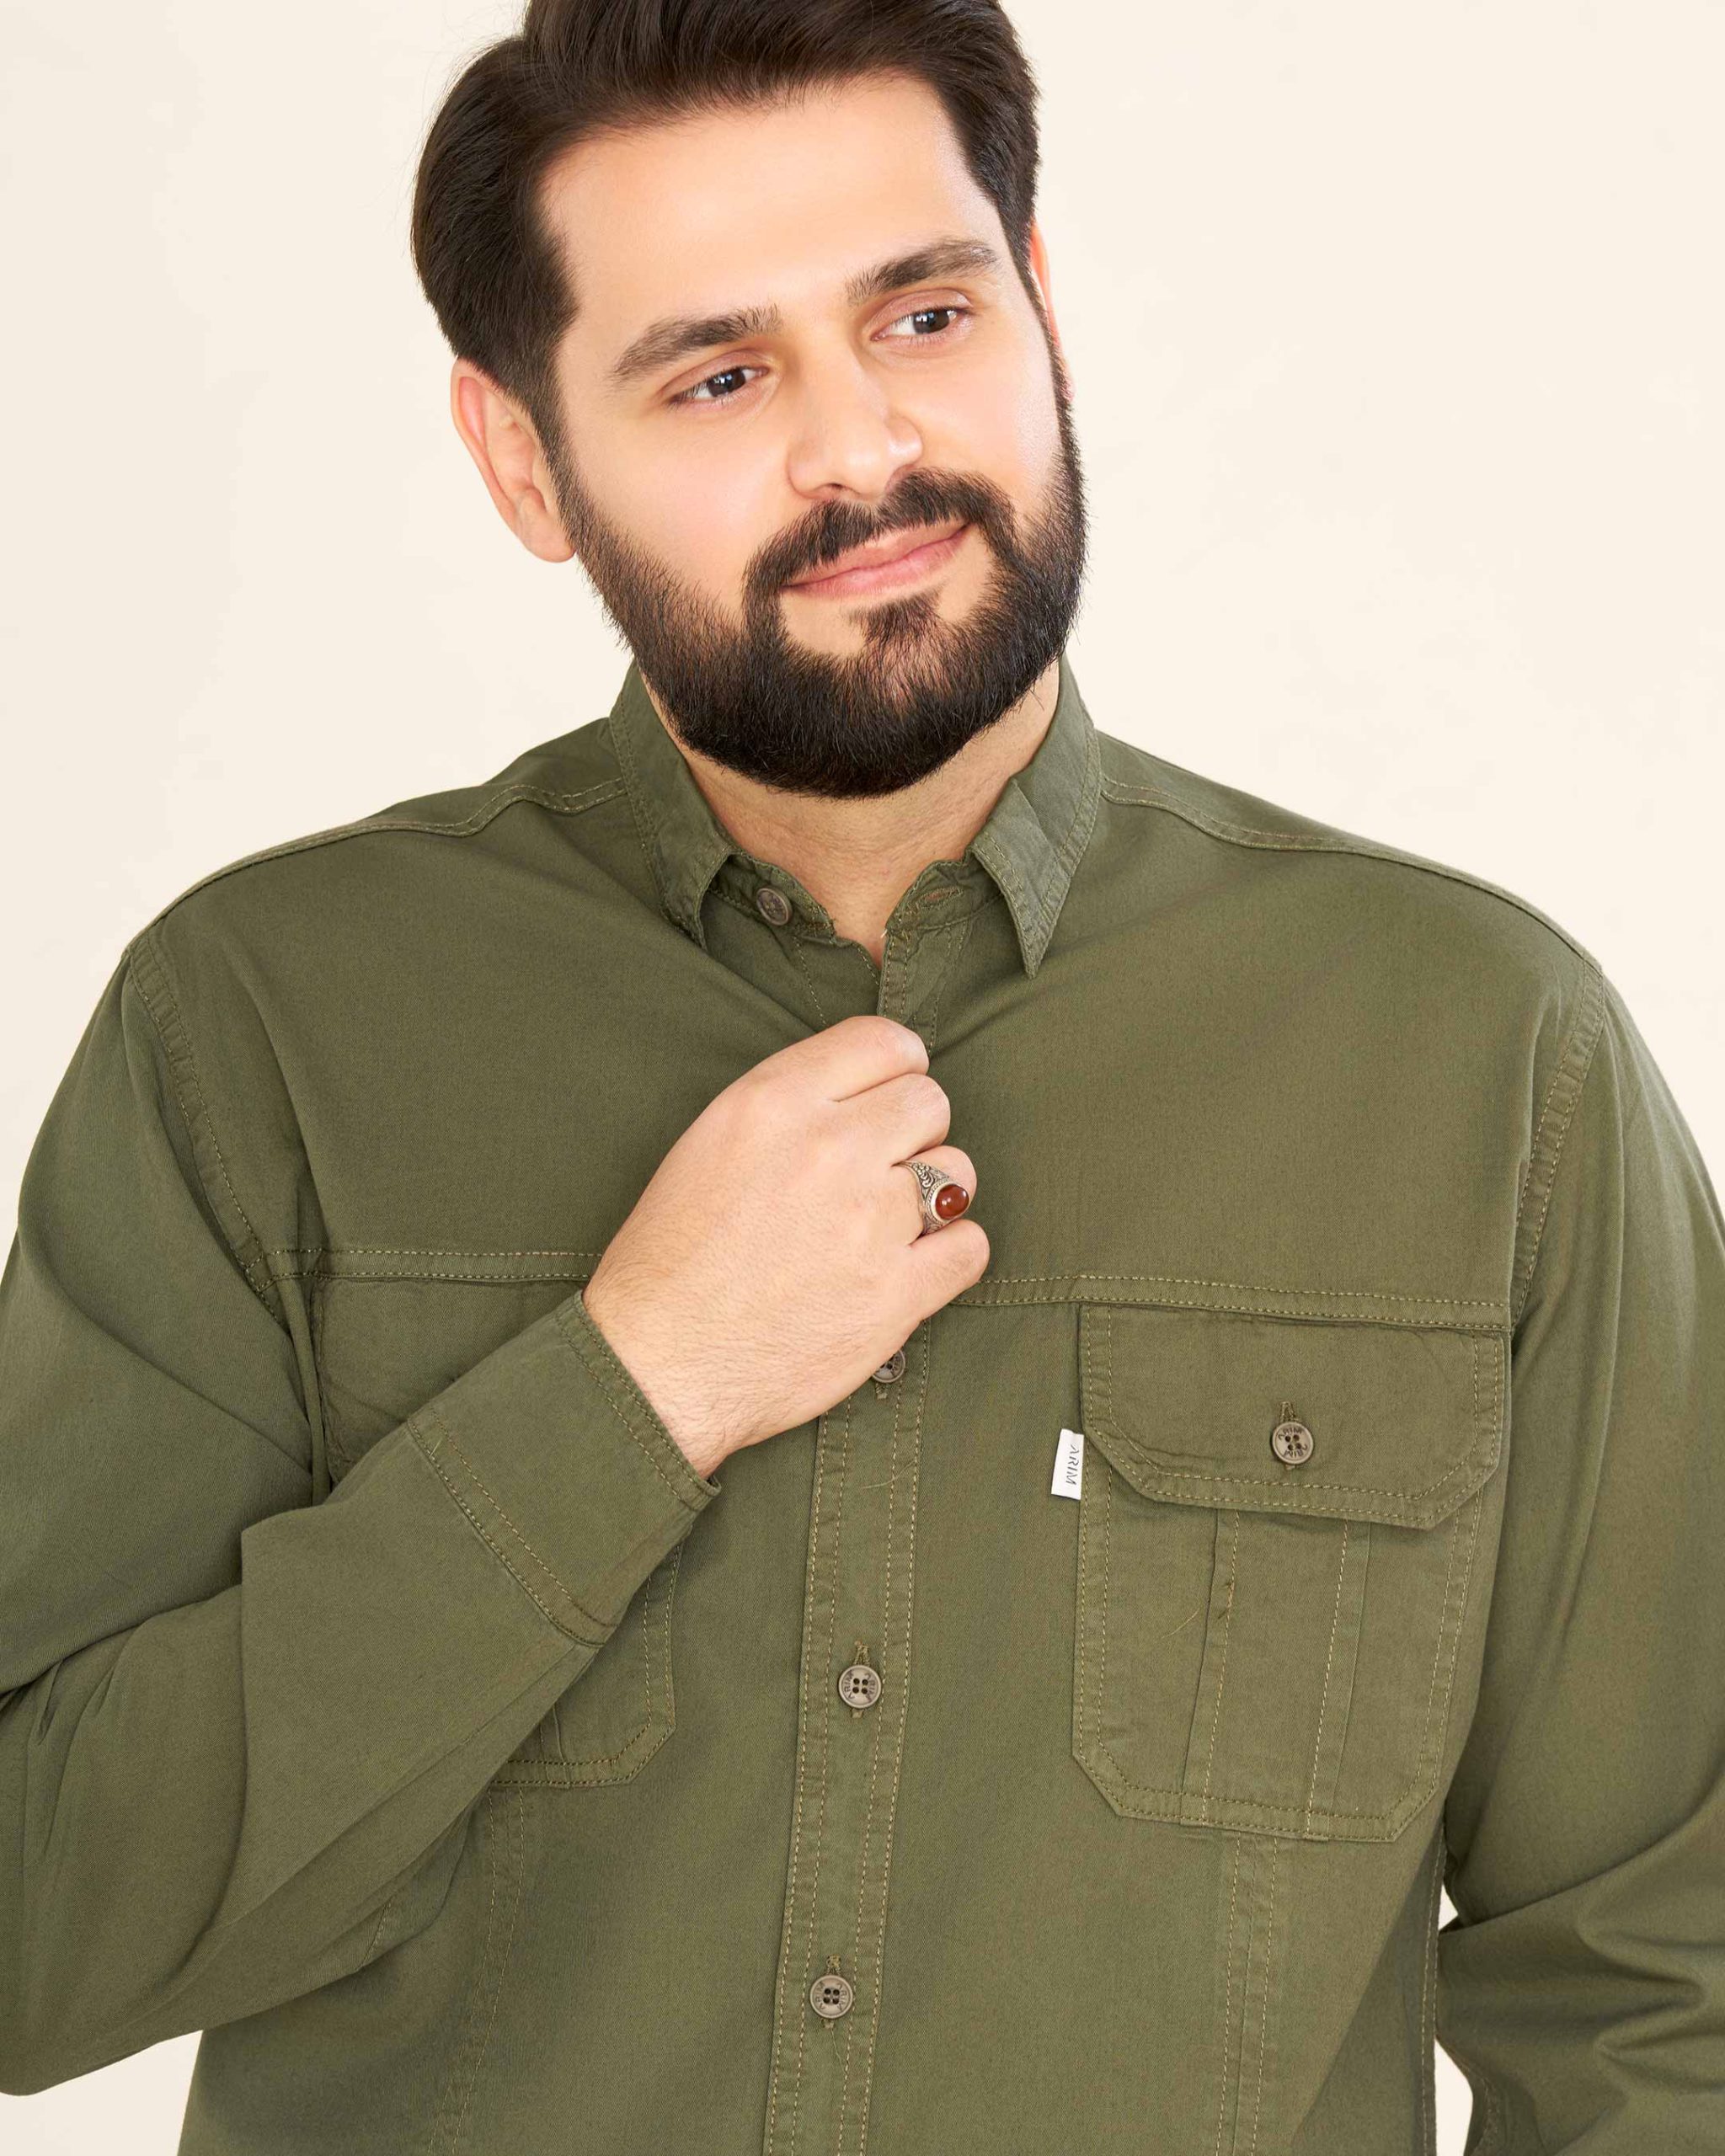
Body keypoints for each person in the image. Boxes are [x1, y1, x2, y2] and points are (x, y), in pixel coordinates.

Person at [2, 1, 1720, 2147]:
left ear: (1044, 309)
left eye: (923, 313)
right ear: (522, 458)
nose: (862, 446)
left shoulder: (1481, 1058)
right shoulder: (260, 1027)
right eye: (718, 375)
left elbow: (1669, 1995)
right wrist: (630, 1392)